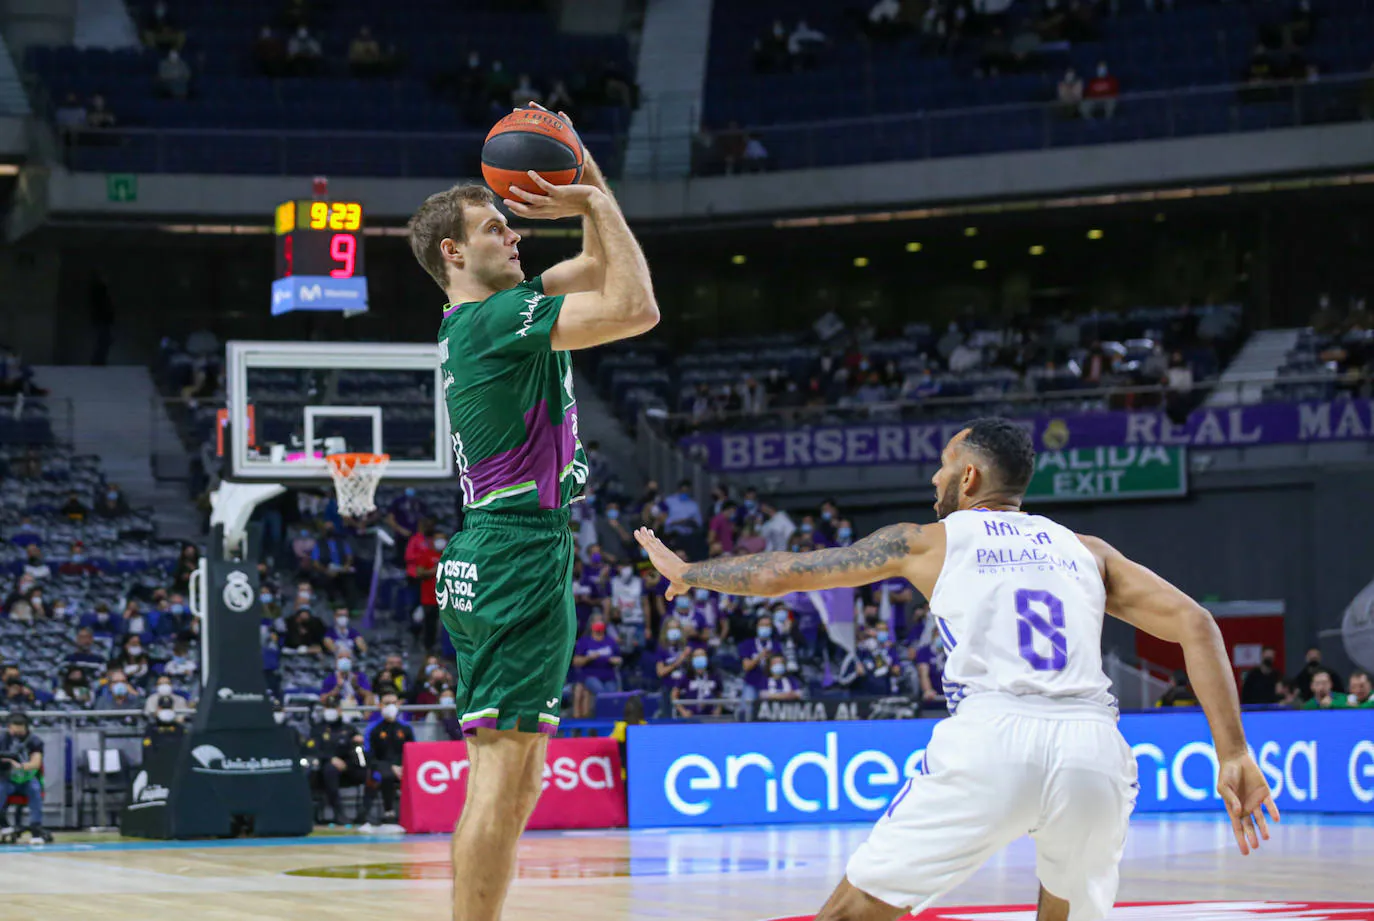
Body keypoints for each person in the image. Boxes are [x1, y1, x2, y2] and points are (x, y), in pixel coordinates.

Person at [635, 417, 1277, 921]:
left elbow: (785, 572)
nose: (934, 480)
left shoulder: (928, 541)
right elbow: (1198, 625)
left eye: (943, 467)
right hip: (1094, 749)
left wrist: (690, 574)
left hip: (993, 739)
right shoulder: (1087, 552)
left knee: (848, 916)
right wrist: (1234, 751)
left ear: (969, 477)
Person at [405, 99, 657, 921]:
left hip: (503, 543)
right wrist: (594, 199)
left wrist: (586, 174)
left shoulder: (486, 319)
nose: (514, 233)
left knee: (519, 776)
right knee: (502, 773)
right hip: (516, 547)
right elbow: (636, 306)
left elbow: (595, 264)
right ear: (453, 251)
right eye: (494, 229)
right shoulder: (494, 319)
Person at [363, 694, 415, 825]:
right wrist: (391, 767)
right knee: (386, 774)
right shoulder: (372, 729)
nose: (390, 706)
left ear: (398, 704)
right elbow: (370, 756)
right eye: (387, 703)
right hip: (381, 765)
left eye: (393, 703)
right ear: (380, 706)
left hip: (403, 766)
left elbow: (413, 750)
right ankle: (389, 811)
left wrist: (403, 766)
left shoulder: (406, 728)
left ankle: (416, 813)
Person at [0, 712, 51, 842]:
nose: (16, 733)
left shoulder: (34, 741)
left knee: (35, 789)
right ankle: (2, 823)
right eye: (13, 730)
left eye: (20, 730)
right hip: (6, 778)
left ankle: (36, 828)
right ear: (9, 727)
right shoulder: (2, 739)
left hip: (26, 779)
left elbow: (36, 763)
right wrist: (7, 763)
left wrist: (20, 766)